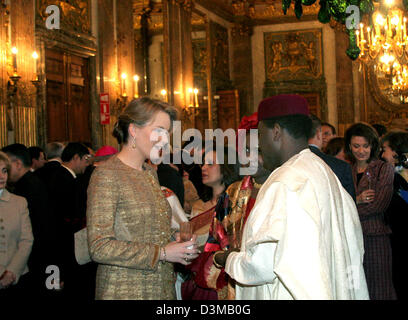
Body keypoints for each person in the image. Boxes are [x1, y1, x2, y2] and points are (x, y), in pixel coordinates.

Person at [220, 94, 368, 300]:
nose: (260, 145)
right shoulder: (325, 173)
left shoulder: (284, 181)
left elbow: (262, 266)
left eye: (261, 136)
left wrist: (229, 259)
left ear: (277, 132)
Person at [86, 97, 199, 300]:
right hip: (123, 290)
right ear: (133, 130)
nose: (165, 140)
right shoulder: (107, 174)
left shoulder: (149, 172)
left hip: (161, 289)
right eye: (159, 131)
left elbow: (149, 233)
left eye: (167, 133)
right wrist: (163, 253)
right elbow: (99, 247)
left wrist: (176, 241)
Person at [201, 112, 272, 300]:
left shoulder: (281, 189)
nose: (251, 158)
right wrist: (221, 258)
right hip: (234, 284)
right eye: (246, 150)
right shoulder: (233, 193)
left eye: (259, 151)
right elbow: (214, 239)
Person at [181, 143, 240, 300]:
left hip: (224, 285)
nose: (203, 168)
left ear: (226, 167)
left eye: (210, 163)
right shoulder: (198, 206)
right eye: (203, 163)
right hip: (197, 285)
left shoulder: (235, 206)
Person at [344, 122, 396, 300]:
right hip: (349, 238)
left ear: (373, 145)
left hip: (375, 237)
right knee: (353, 287)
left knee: (379, 289)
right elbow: (338, 203)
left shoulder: (383, 168)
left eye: (365, 146)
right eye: (356, 146)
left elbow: (378, 205)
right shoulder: (345, 169)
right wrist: (357, 200)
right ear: (349, 146)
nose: (361, 151)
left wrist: (348, 207)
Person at [2, 144, 55, 297]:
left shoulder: (26, 189)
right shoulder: (30, 183)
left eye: (5, 167)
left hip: (36, 262)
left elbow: (39, 230)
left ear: (18, 164)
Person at [48, 142, 91, 299]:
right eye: (86, 159)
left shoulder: (62, 176)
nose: (87, 164)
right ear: (75, 157)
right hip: (65, 244)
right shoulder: (64, 179)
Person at [0, 151, 33, 298]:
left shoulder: (19, 202)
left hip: (17, 277)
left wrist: (12, 271)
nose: (2, 176)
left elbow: (27, 240)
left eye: (4, 170)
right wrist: (2, 273)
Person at [381, 131, 408, 300]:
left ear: (398, 154)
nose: (383, 155)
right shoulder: (394, 180)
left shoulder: (396, 182)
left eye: (385, 149)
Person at [308, 115, 356, 201]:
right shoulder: (341, 167)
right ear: (319, 134)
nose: (324, 137)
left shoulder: (284, 164)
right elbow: (349, 207)